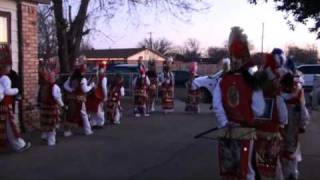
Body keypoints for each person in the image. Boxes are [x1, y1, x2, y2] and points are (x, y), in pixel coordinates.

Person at [212, 27, 265, 180]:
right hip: (246, 131)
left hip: (227, 130)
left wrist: (224, 121)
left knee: (229, 170)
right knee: (247, 170)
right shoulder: (253, 81)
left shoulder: (223, 80)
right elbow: (259, 110)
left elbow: (217, 105)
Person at [254, 49, 289, 179]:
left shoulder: (257, 95)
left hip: (256, 133)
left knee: (256, 163)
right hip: (272, 134)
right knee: (272, 164)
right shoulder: (277, 96)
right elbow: (283, 118)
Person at [279, 59, 310, 180]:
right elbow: (304, 114)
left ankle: (281, 175)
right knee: (292, 154)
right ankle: (292, 175)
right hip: (293, 131)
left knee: (280, 155)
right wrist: (302, 125)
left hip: (280, 131)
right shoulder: (297, 96)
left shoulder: (278, 95)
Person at [0, 44, 31, 152]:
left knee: (6, 126)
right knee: (11, 126)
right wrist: (16, 91)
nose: (9, 67)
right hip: (5, 107)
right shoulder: (4, 78)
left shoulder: (8, 76)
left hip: (5, 105)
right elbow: (5, 91)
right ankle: (19, 145)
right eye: (8, 66)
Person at [63, 56, 94, 137]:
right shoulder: (82, 79)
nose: (86, 68)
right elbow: (85, 90)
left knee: (70, 114)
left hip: (71, 99)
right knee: (83, 114)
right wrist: (91, 85)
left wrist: (71, 90)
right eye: (85, 66)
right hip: (79, 99)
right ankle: (88, 130)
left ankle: (67, 131)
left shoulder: (71, 78)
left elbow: (65, 86)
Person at [38, 67, 65, 146]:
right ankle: (51, 141)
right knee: (52, 125)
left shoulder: (43, 86)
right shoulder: (55, 87)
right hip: (52, 108)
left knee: (46, 123)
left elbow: (40, 97)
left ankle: (45, 136)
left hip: (44, 107)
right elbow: (57, 98)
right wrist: (63, 105)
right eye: (53, 76)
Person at [86, 63, 108, 128]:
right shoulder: (103, 77)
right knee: (99, 109)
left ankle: (93, 122)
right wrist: (105, 96)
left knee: (93, 109)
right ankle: (100, 122)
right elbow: (104, 87)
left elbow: (88, 83)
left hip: (92, 94)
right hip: (99, 95)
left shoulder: (93, 76)